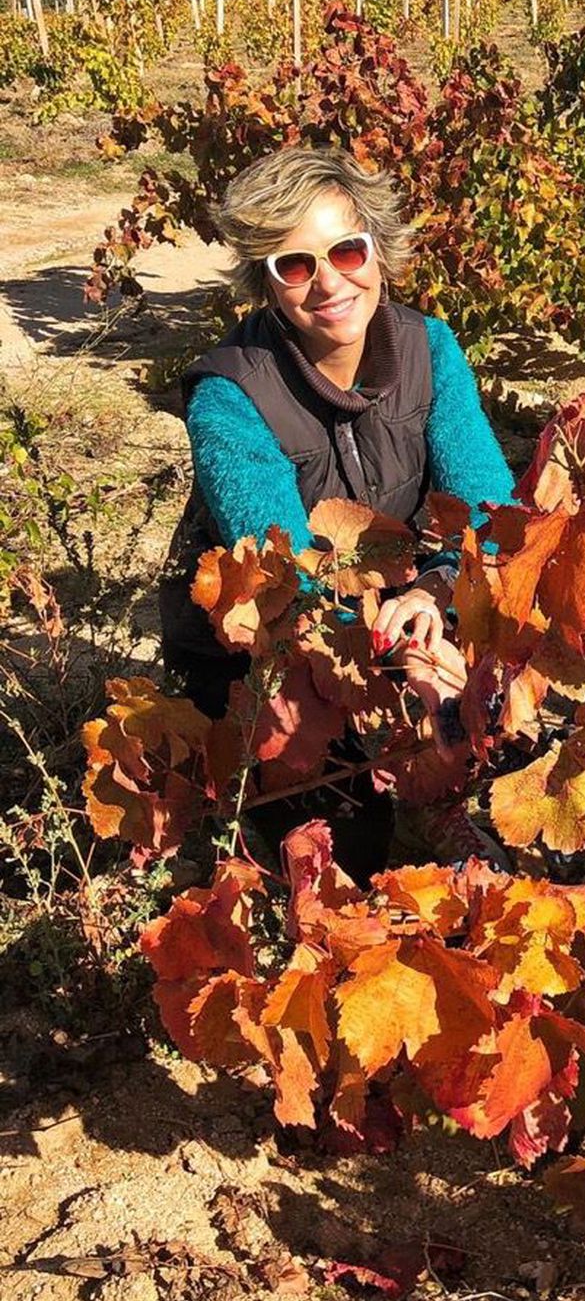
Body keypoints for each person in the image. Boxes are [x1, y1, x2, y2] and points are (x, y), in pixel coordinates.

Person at [159, 146, 514, 872]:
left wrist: (438, 593)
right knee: (345, 841)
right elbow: (285, 579)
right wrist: (403, 652)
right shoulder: (229, 395)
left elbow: (488, 507)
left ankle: (444, 800)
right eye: (295, 264)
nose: (328, 282)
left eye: (346, 249)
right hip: (267, 642)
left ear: (377, 248)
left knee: (490, 697)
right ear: (265, 280)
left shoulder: (429, 348)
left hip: (398, 605)